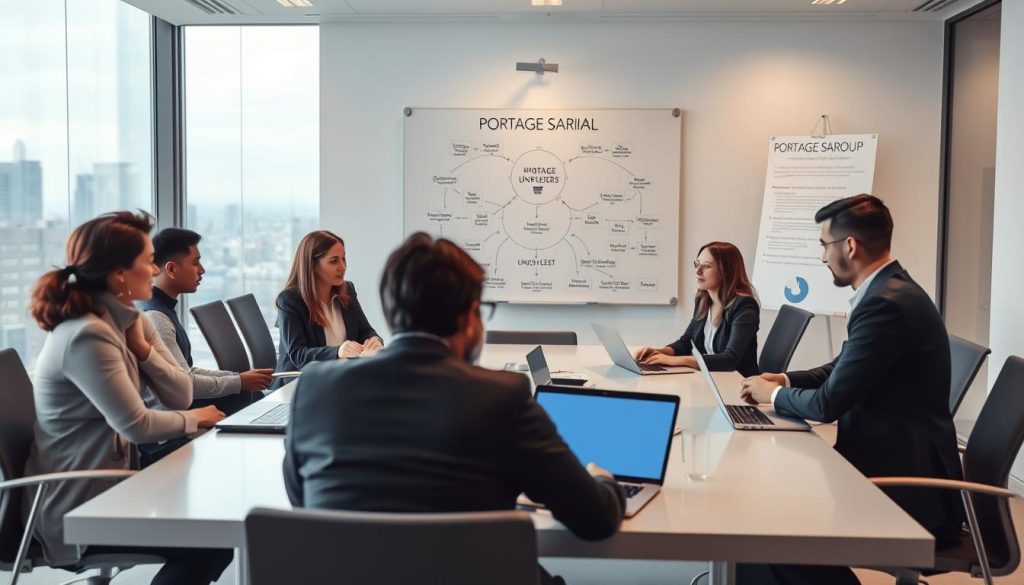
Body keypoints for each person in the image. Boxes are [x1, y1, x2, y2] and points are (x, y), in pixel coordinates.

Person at [282, 233, 625, 584]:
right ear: (469, 316)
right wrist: (604, 480)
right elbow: (594, 520)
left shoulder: (314, 390)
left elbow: (303, 502)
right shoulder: (501, 397)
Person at [738, 195, 963, 585]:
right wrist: (785, 381)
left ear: (850, 246)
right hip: (886, 464)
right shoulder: (890, 291)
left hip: (906, 493)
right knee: (766, 515)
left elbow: (828, 404)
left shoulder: (887, 303)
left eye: (824, 245)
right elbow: (844, 365)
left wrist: (769, 397)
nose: (822, 257)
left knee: (766, 528)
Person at [25, 211, 231, 584]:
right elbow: (136, 425)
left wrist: (144, 349)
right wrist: (195, 419)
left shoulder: (129, 322)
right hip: (80, 511)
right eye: (147, 262)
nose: (154, 271)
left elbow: (181, 393)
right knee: (211, 542)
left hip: (115, 490)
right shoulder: (88, 335)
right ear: (120, 273)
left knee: (213, 528)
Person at [135, 227, 274, 463]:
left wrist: (238, 378)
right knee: (244, 398)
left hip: (176, 417)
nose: (202, 270)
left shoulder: (161, 311)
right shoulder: (156, 318)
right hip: (165, 438)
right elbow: (185, 383)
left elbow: (185, 373)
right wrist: (238, 381)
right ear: (171, 268)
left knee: (247, 394)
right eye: (195, 262)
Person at [633, 241, 761, 377]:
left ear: (726, 271)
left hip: (739, 385)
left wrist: (674, 361)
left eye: (706, 266)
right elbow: (687, 342)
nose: (698, 271)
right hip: (714, 379)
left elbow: (730, 360)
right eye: (697, 264)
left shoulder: (744, 306)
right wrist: (660, 352)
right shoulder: (704, 300)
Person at [273, 230, 382, 384]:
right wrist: (338, 352)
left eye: (344, 259)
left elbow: (366, 331)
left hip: (340, 378)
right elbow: (298, 354)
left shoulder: (347, 291)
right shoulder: (289, 300)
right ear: (312, 265)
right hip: (301, 384)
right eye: (334, 261)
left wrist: (374, 340)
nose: (342, 267)